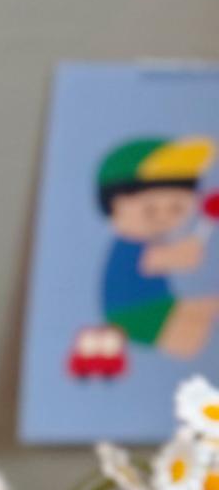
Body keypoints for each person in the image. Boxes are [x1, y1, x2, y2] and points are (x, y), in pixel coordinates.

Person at [96, 135, 219, 360]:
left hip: (159, 305)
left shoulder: (149, 243)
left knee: (205, 312)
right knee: (194, 331)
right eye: (150, 210)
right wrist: (185, 253)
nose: (164, 218)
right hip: (134, 313)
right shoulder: (130, 247)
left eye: (176, 209)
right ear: (114, 207)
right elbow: (162, 260)